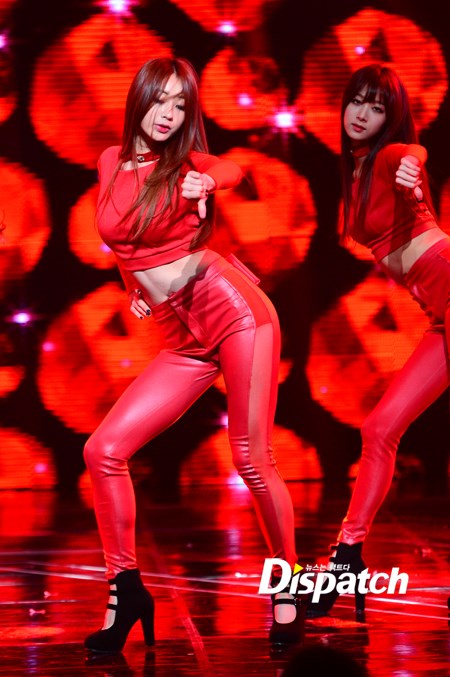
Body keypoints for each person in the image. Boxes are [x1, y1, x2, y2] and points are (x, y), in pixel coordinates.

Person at [83, 57, 301, 652]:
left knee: (251, 458)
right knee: (103, 450)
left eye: (181, 105)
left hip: (234, 314)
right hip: (181, 337)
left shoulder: (187, 166)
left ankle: (288, 585)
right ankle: (125, 591)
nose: (169, 113)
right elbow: (123, 238)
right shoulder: (109, 160)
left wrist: (208, 183)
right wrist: (133, 288)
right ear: (139, 97)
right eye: (161, 99)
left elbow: (231, 168)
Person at [307, 63, 450, 619]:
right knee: (379, 428)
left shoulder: (390, 156)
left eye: (377, 106)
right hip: (439, 317)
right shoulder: (359, 169)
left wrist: (414, 165)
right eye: (356, 101)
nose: (362, 114)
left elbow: (413, 153)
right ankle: (347, 557)